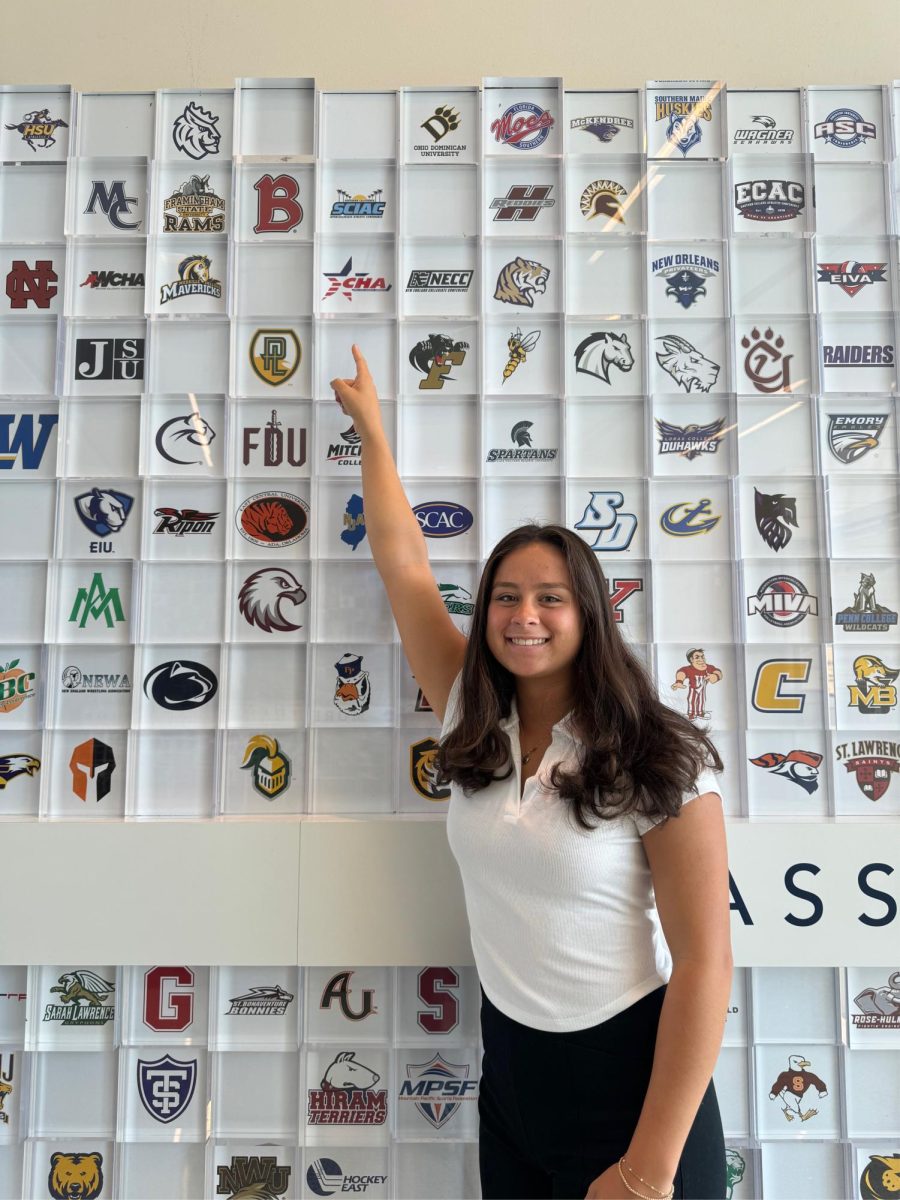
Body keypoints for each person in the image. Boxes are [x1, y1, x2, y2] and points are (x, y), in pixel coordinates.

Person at [331, 345, 732, 1200]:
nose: (523, 615)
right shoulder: (472, 718)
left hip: (634, 1088)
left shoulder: (660, 756)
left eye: (549, 597)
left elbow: (705, 964)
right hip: (511, 1076)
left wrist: (649, 1172)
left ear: (589, 611)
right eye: (506, 595)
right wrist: (371, 434)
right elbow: (405, 569)